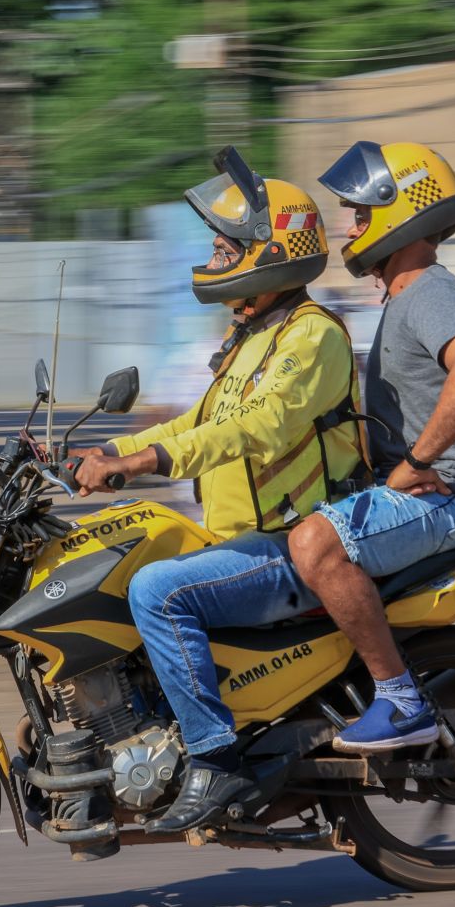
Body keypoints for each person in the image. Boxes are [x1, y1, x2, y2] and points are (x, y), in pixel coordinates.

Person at [71, 147, 368, 833]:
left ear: (271, 251)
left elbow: (260, 427)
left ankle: (215, 754)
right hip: (240, 539)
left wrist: (146, 457)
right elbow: (202, 420)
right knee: (124, 560)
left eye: (225, 244)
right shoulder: (252, 337)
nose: (213, 256)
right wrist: (107, 450)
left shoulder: (310, 337)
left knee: (158, 591)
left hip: (293, 543)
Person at [287, 140, 455, 754]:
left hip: (452, 492)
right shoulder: (405, 298)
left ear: (398, 211)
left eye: (358, 214)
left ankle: (402, 700)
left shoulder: (431, 290)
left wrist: (416, 463)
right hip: (426, 488)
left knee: (316, 544)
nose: (349, 228)